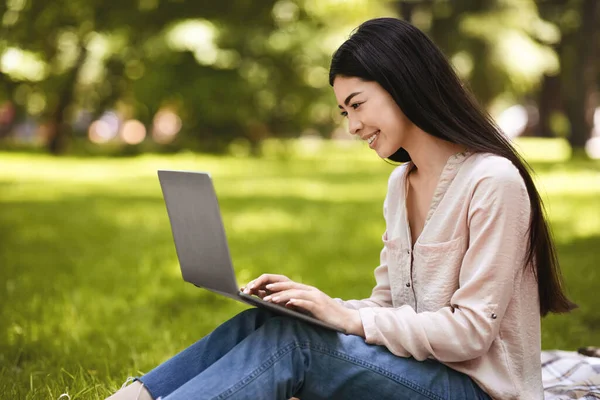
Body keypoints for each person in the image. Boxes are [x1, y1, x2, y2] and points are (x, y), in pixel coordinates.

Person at [107, 17, 576, 400]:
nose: (352, 126)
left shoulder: (491, 181)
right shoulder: (401, 183)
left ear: (403, 84)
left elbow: (472, 333)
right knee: (275, 320)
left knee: (296, 345)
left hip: (478, 389)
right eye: (343, 112)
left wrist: (347, 319)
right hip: (424, 373)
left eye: (357, 105)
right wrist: (316, 305)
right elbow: (388, 307)